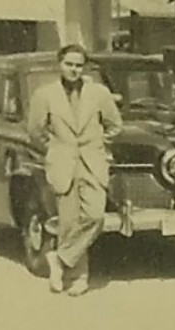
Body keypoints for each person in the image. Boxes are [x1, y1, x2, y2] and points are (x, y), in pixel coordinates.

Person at [27, 43, 123, 297]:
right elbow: (35, 131)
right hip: (62, 163)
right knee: (68, 223)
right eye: (69, 64)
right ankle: (79, 278)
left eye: (79, 65)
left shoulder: (99, 93)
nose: (74, 70)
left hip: (93, 162)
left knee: (94, 216)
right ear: (60, 65)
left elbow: (115, 125)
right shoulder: (45, 94)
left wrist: (98, 145)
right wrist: (56, 149)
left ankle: (58, 259)